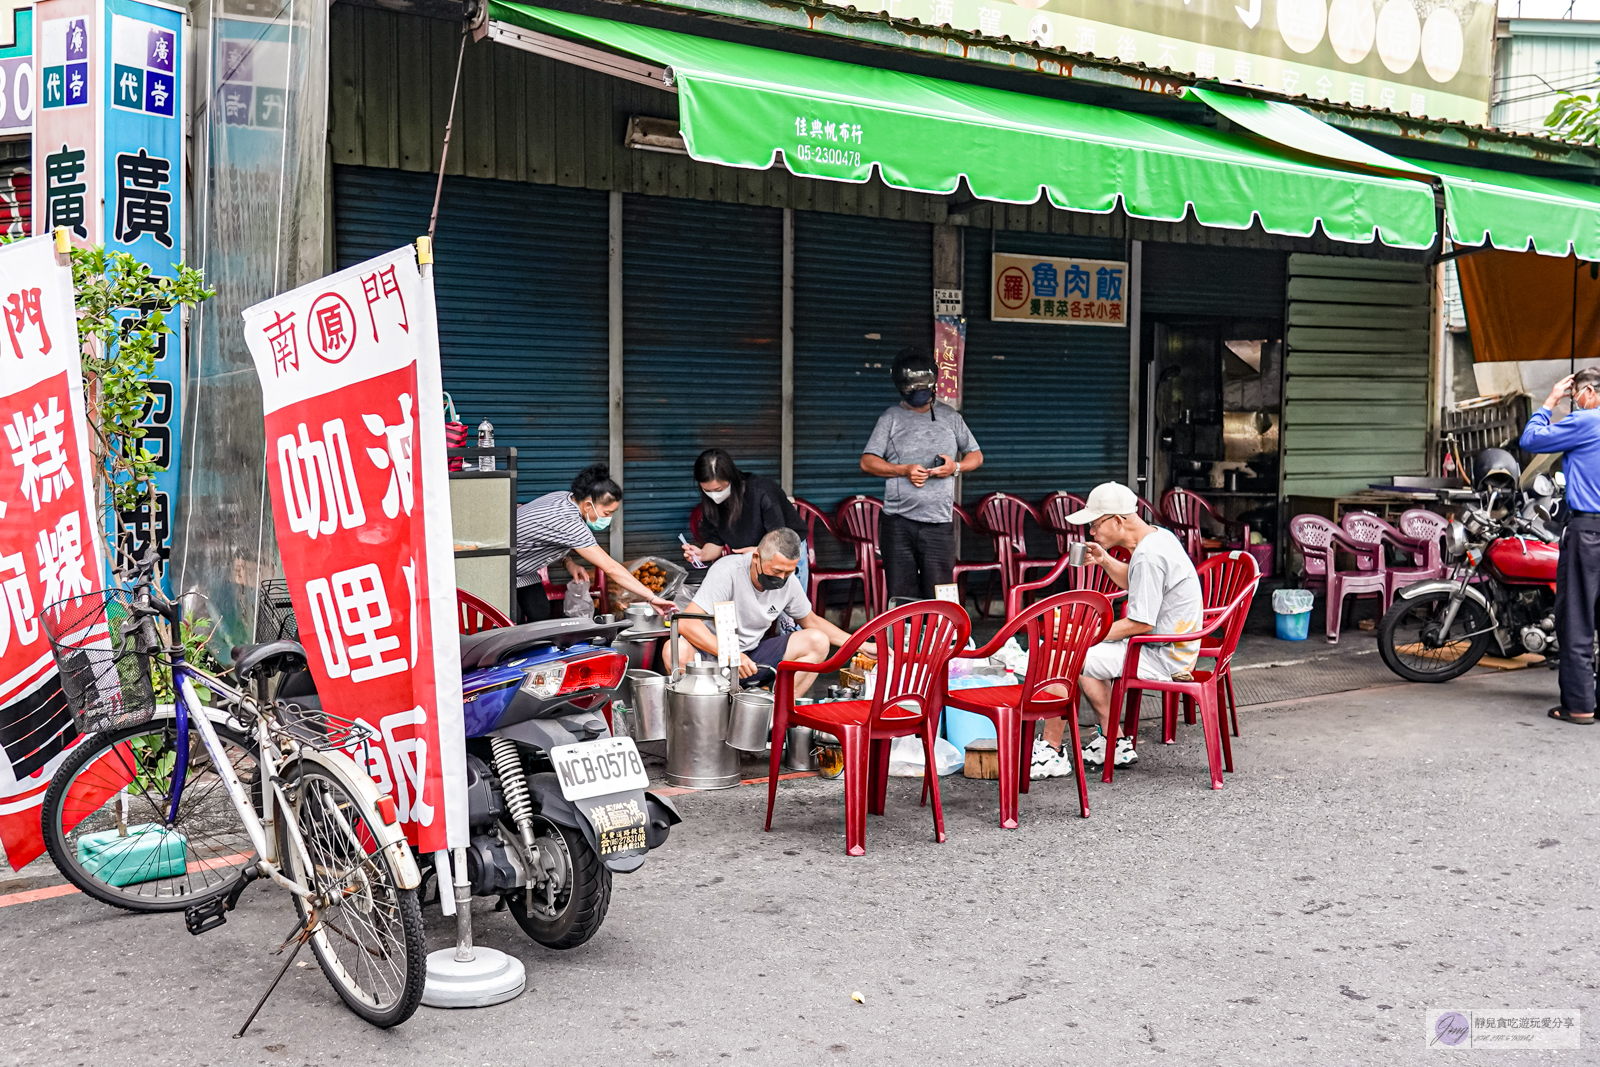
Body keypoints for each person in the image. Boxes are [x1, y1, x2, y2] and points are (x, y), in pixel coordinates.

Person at [1030, 481, 1203, 778]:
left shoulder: (1149, 556)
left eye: (1095, 525)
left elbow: (1141, 623)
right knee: (1078, 656)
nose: (1091, 533)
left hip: (1161, 654)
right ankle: (1115, 742)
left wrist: (1084, 635)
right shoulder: (1159, 537)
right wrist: (1104, 559)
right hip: (1166, 646)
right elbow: (1138, 582)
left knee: (1062, 657)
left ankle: (1051, 751)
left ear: (1118, 521)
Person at [672, 528, 861, 699]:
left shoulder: (789, 582)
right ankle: (703, 715)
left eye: (788, 572)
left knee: (817, 641)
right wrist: (732, 655)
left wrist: (859, 644)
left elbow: (812, 621)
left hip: (751, 663)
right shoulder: (728, 570)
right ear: (756, 557)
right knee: (676, 649)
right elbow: (687, 623)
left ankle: (774, 716)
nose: (781, 579)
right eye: (777, 571)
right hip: (709, 662)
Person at [859, 347, 984, 600]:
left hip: (938, 522)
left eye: (924, 388)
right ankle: (903, 639)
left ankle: (943, 639)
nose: (919, 394)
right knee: (901, 591)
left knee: (940, 591)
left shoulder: (951, 417)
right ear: (900, 388)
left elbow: (976, 456)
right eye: (912, 390)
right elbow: (867, 461)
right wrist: (903, 470)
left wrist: (955, 467)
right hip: (897, 522)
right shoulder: (890, 418)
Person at [1520, 368, 1600, 725]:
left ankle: (1581, 704)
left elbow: (1531, 440)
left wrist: (1551, 400)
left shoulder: (1585, 421)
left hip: (1588, 531)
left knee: (1577, 619)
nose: (1575, 403)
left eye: (1575, 397)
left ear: (1586, 391)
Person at [514, 464, 674, 623]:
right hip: (503, 569)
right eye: (607, 513)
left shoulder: (564, 497)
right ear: (588, 505)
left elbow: (547, 537)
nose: (609, 518)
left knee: (539, 614)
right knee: (512, 624)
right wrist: (652, 597)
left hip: (524, 568)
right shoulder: (570, 523)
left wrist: (568, 563)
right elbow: (611, 568)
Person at [682, 448, 808, 591]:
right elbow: (715, 543)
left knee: (789, 608)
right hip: (750, 559)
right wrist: (702, 554)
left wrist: (757, 552)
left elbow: (779, 543)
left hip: (784, 553)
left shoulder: (762, 492)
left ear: (731, 479)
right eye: (707, 490)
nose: (713, 496)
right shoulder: (711, 503)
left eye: (718, 490)